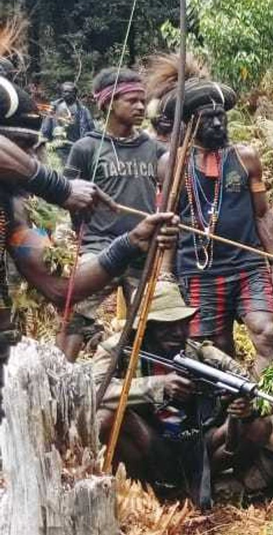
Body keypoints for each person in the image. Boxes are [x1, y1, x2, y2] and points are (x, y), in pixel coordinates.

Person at [0, 71, 174, 422]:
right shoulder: (83, 150)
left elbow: (61, 288)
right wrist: (60, 189)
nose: (36, 157)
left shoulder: (12, 214)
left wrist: (131, 242)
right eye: (25, 149)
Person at [94, 283, 273, 505]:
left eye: (182, 325)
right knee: (106, 418)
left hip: (199, 444)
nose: (178, 333)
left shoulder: (200, 354)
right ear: (145, 327)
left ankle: (199, 484)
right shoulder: (116, 350)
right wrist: (156, 386)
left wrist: (246, 408)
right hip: (149, 442)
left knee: (259, 425)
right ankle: (141, 489)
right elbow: (95, 391)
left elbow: (254, 390)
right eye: (167, 327)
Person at [161, 77, 273, 375]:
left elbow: (262, 214)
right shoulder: (172, 164)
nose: (217, 124)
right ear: (190, 123)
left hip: (248, 266)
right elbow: (167, 223)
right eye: (208, 119)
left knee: (267, 333)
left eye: (221, 116)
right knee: (216, 348)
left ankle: (272, 414)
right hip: (197, 271)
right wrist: (166, 273)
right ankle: (234, 416)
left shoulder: (245, 157)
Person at [60, 67, 166, 360]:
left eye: (143, 101)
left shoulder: (154, 148)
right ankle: (60, 389)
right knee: (74, 317)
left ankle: (146, 393)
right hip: (99, 248)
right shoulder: (86, 147)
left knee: (156, 325)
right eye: (131, 100)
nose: (141, 107)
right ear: (107, 103)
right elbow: (68, 196)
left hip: (143, 252)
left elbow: (170, 187)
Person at [40, 81, 95, 163]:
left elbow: (91, 130)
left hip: (77, 149)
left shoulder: (83, 110)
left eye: (70, 92)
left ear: (75, 94)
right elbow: (45, 129)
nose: (67, 94)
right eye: (64, 91)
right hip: (58, 149)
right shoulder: (54, 109)